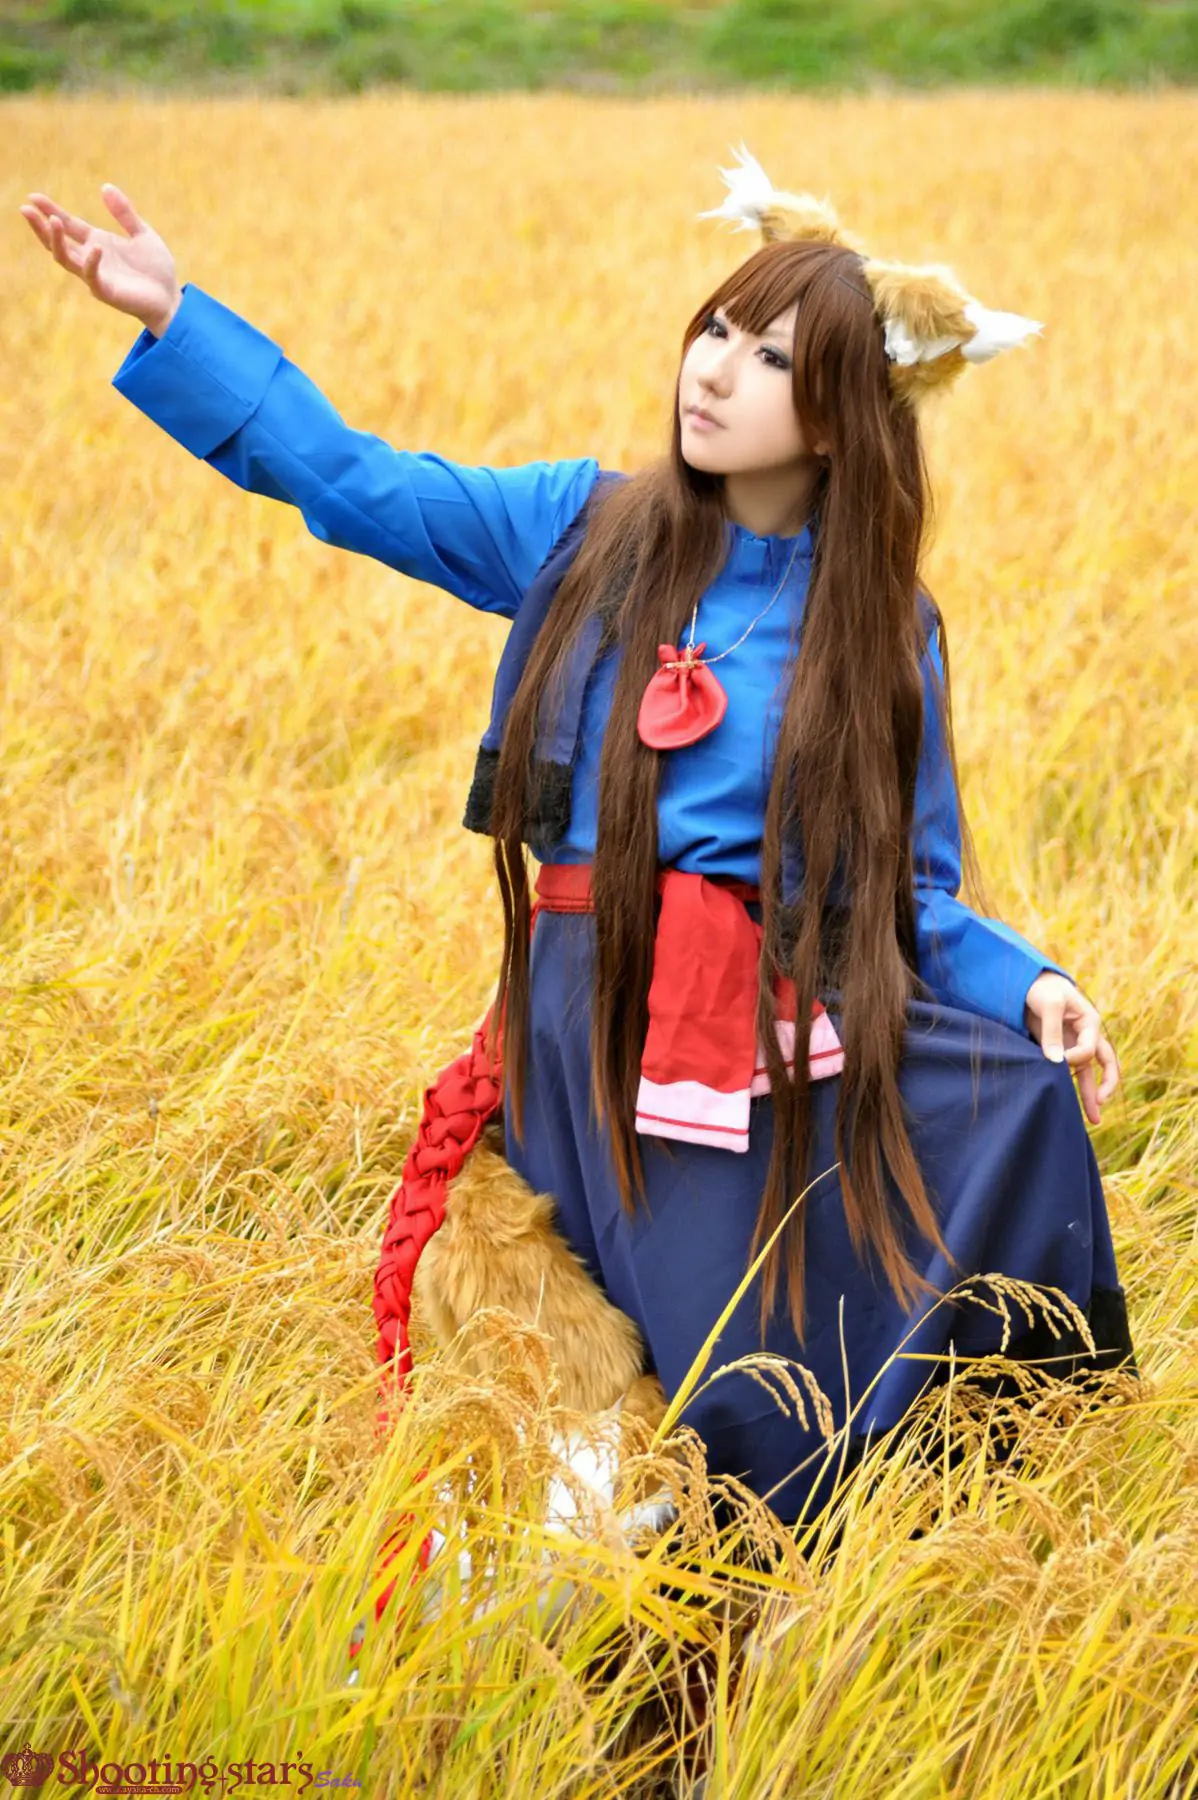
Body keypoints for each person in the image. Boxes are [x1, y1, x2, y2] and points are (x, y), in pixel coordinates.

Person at [19, 148, 1135, 1528]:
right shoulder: (583, 530)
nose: (712, 372)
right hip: (588, 1018)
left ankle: (857, 1559)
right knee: (647, 1370)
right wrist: (179, 321)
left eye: (769, 359)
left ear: (840, 419)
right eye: (714, 331)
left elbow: (899, 895)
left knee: (974, 1140)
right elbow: (360, 483)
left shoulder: (884, 630)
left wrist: (1030, 981)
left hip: (762, 1037)